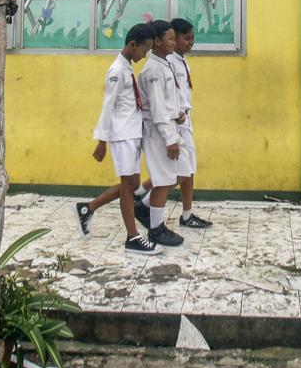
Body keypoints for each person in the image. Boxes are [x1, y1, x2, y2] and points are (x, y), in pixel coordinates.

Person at [75, 23, 160, 255]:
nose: (144, 56)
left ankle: (88, 208)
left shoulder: (126, 68)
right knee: (127, 187)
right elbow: (108, 106)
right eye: (144, 50)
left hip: (132, 134)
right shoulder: (116, 71)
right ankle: (132, 238)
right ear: (132, 45)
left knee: (132, 185)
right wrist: (101, 140)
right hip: (122, 136)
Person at [136, 19, 184, 247]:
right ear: (156, 42)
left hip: (167, 126)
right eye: (170, 39)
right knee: (163, 180)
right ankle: (155, 230)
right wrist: (169, 138)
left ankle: (147, 211)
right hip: (158, 132)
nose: (174, 43)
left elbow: (167, 101)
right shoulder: (153, 70)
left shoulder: (164, 64)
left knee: (167, 178)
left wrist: (179, 113)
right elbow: (156, 108)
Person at [167, 17, 212, 229]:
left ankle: (187, 214)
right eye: (186, 39)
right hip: (175, 121)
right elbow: (167, 96)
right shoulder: (168, 62)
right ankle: (143, 199)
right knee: (180, 171)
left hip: (185, 118)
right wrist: (177, 116)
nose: (191, 43)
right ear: (173, 39)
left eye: (192, 38)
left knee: (189, 168)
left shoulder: (182, 61)